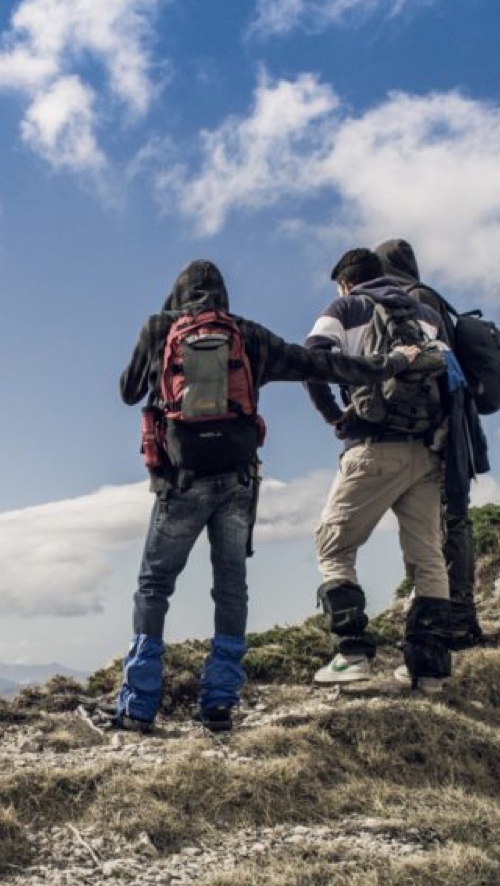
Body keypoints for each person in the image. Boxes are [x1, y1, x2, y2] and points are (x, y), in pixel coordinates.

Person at [113, 259, 419, 733]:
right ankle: (218, 704)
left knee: (154, 585)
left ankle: (138, 704)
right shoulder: (247, 334)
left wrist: (159, 347)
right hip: (236, 482)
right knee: (230, 588)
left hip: (181, 481)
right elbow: (319, 363)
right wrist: (391, 364)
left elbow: (129, 392)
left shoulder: (161, 328)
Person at [304, 248, 455, 691]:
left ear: (346, 283)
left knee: (333, 546)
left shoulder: (345, 307)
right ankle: (429, 670)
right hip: (426, 451)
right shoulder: (425, 314)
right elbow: (448, 377)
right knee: (427, 556)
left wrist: (335, 416)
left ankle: (351, 654)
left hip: (373, 447)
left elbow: (312, 360)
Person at [374, 238, 491, 649]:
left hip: (436, 430)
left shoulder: (408, 300)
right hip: (455, 423)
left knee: (445, 519)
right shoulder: (431, 297)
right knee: (448, 517)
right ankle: (455, 615)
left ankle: (451, 619)